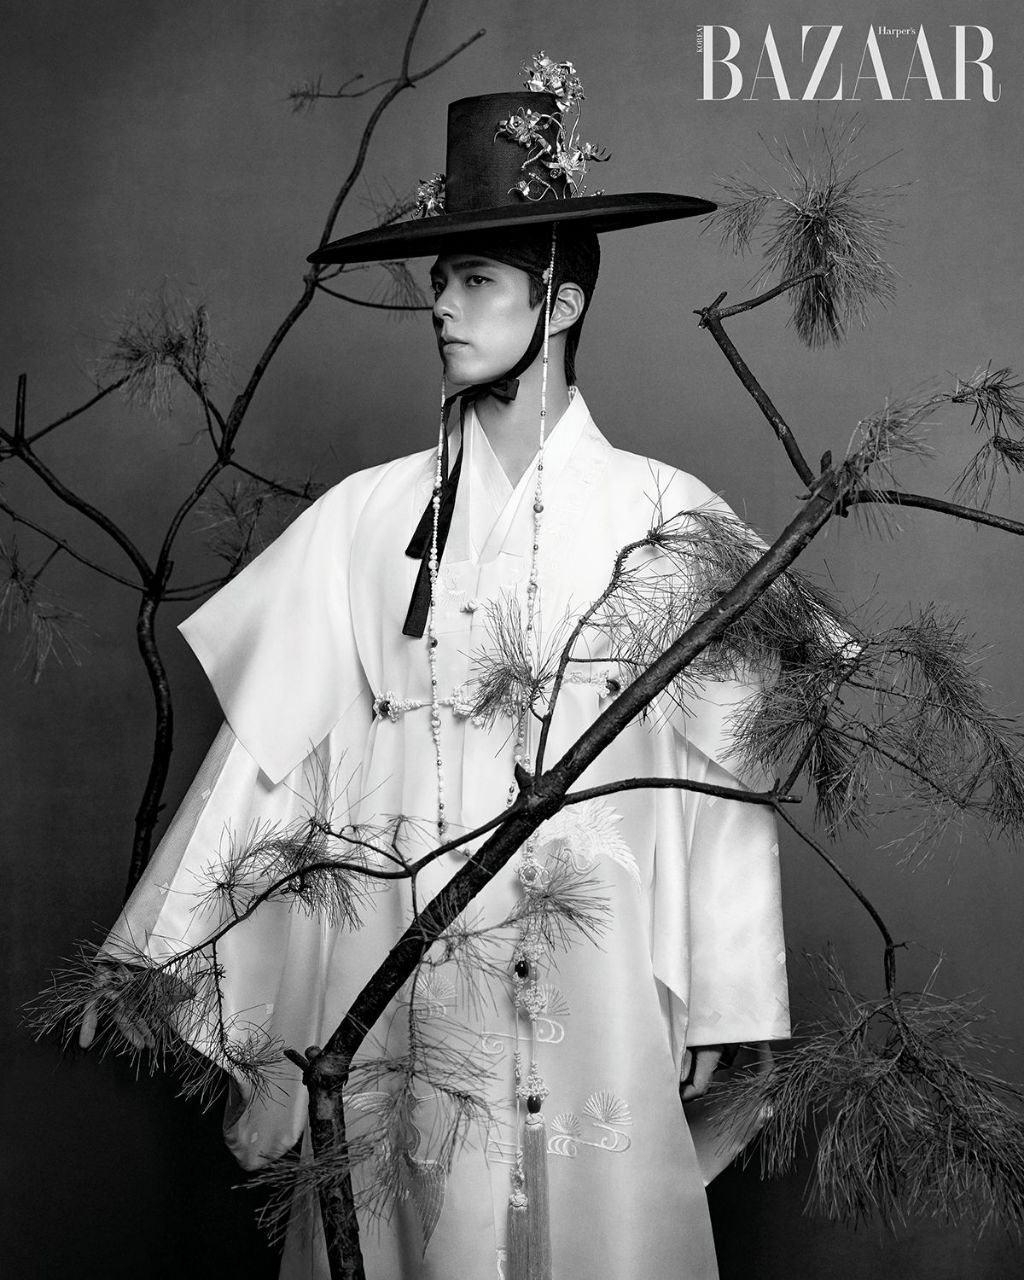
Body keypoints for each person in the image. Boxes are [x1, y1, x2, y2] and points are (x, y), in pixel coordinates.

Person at [88, 61, 790, 1280]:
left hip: (592, 957)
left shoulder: (666, 517)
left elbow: (726, 769)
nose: (444, 309)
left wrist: (728, 999)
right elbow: (269, 759)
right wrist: (210, 985)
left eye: (477, 280)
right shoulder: (365, 518)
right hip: (398, 955)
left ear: (560, 302)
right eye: (440, 282)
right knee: (408, 1217)